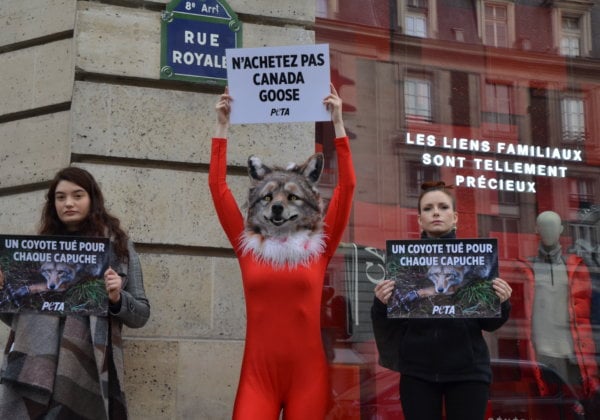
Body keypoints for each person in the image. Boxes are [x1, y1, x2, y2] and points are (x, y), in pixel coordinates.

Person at [209, 84, 355, 419]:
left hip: (309, 377)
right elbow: (218, 189)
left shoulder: (319, 249)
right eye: (271, 198)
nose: (278, 205)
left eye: (290, 198)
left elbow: (347, 188)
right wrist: (221, 126)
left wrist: (338, 123)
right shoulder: (247, 246)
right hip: (258, 378)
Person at [0, 167, 150, 419]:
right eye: (60, 197)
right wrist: (3, 292)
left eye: (77, 195)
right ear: (53, 203)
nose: (68, 203)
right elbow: (14, 318)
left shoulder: (119, 249)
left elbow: (141, 315)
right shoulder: (36, 251)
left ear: (92, 199)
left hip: (88, 367)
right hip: (33, 365)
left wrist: (117, 298)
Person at [371, 181, 512, 420]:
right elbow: (391, 322)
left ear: (455, 217)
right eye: (428, 208)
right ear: (419, 220)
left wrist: (503, 301)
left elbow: (489, 324)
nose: (436, 212)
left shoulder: (476, 259)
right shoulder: (404, 264)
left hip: (468, 372)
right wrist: (381, 303)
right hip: (418, 372)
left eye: (443, 207)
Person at [515, 211, 599, 413]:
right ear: (536, 230)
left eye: (554, 226)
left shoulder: (576, 266)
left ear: (561, 230)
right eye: (544, 225)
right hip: (541, 355)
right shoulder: (526, 267)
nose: (549, 230)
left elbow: (588, 314)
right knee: (548, 411)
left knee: (576, 410)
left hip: (573, 355)